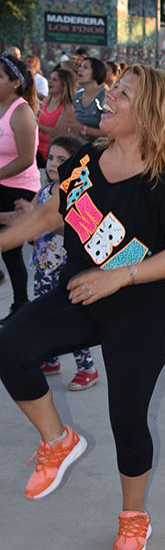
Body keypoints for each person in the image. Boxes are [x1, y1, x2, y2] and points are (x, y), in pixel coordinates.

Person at [0, 64, 165, 550]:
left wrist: (119, 274)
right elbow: (50, 215)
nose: (109, 97)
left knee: (127, 418)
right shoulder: (87, 160)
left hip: (142, 312)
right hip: (85, 293)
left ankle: (134, 517)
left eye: (122, 94)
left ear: (149, 112)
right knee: (9, 344)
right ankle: (57, 439)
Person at [7, 135, 101, 390]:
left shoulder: (76, 194)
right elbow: (27, 222)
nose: (52, 164)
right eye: (50, 158)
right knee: (43, 310)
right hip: (44, 266)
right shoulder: (45, 191)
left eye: (62, 160)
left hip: (67, 267)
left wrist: (37, 218)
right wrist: (24, 216)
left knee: (69, 318)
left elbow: (69, 229)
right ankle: (51, 359)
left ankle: (87, 368)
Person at [0, 53, 40, 322]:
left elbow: (26, 158)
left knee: (11, 250)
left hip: (19, 189)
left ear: (15, 82)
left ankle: (21, 304)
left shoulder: (22, 112)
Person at [36, 67, 76, 168]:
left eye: (55, 80)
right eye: (50, 78)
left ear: (64, 85)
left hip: (51, 156)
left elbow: (58, 132)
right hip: (37, 150)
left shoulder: (67, 107)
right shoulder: (46, 100)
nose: (50, 82)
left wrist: (36, 125)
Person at [66, 57, 107, 141]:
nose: (79, 70)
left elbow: (110, 134)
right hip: (77, 148)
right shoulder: (77, 97)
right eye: (80, 66)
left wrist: (83, 129)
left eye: (85, 67)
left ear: (96, 72)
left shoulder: (105, 97)